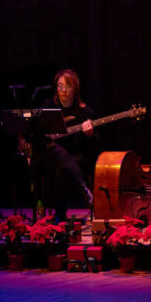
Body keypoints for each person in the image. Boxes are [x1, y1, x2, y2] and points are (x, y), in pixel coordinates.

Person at [40, 69, 97, 221]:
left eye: (68, 86)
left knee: (61, 169)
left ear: (75, 89)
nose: (63, 90)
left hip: (76, 156)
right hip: (50, 155)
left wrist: (90, 134)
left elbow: (94, 146)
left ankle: (60, 216)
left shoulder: (86, 112)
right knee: (55, 150)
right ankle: (83, 187)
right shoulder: (48, 108)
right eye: (60, 86)